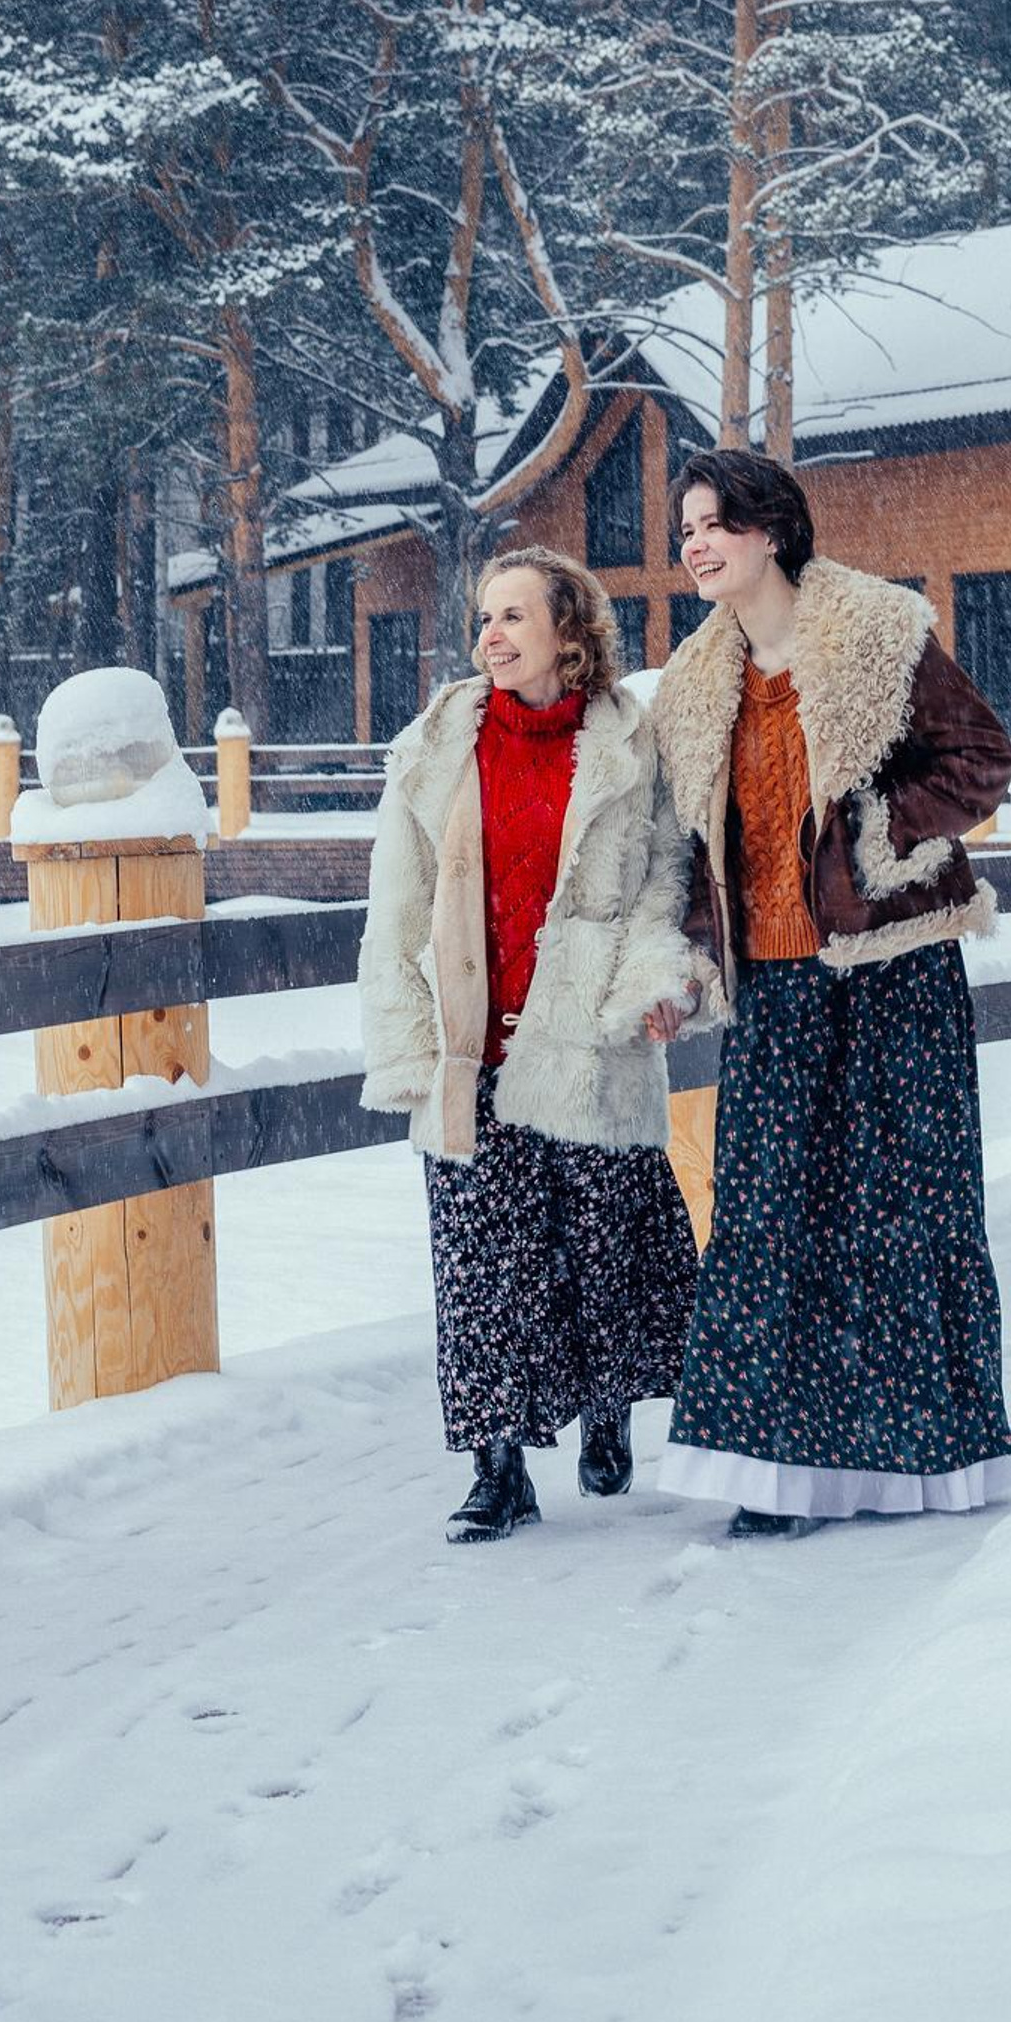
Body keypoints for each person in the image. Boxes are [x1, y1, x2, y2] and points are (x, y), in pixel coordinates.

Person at [649, 450, 1011, 1535]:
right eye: (686, 530)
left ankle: (913, 1460)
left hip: (891, 974)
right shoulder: (693, 682)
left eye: (713, 523)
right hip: (772, 988)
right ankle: (779, 1473)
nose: (696, 544)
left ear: (770, 529)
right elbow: (690, 847)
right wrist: (683, 962)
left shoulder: (877, 635)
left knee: (901, 1218)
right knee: (766, 1224)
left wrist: (872, 831)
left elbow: (981, 761)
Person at [358, 544, 711, 1543]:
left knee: (600, 1249)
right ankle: (496, 1467)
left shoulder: (628, 749)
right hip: (475, 1047)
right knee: (480, 1264)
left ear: (572, 634)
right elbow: (395, 913)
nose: (492, 635)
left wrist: (653, 990)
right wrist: (409, 1044)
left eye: (515, 615)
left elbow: (659, 890)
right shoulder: (434, 747)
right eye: (485, 616)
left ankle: (606, 1409)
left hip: (588, 1042)